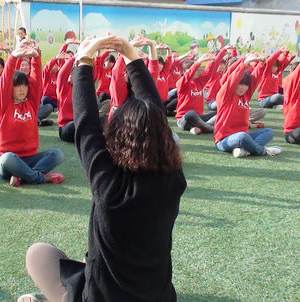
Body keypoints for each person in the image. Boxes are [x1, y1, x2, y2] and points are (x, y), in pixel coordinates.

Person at [18, 35, 186, 302]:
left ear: (120, 136)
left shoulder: (110, 186)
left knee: (39, 254)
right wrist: (132, 57)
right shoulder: (174, 181)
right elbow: (154, 119)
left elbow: (84, 124)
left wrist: (84, 58)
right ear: (163, 138)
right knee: (87, 268)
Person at [0, 39, 64, 187]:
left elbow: (37, 80)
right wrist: (13, 57)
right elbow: (6, 79)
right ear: (11, 88)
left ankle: (23, 176)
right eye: (18, 86)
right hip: (9, 159)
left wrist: (36, 57)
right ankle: (40, 178)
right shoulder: (4, 104)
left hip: (31, 157)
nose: (21, 89)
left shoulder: (31, 104)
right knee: (7, 159)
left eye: (24, 86)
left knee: (57, 154)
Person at [214, 53, 282, 158]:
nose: (243, 88)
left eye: (246, 85)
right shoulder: (225, 95)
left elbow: (255, 78)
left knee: (269, 132)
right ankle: (262, 151)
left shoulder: (246, 95)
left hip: (245, 136)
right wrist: (244, 64)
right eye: (240, 84)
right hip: (224, 140)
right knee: (242, 137)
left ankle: (245, 150)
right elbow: (232, 80)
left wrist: (261, 64)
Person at [175, 48, 226, 135]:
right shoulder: (181, 83)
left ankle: (200, 128)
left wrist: (213, 60)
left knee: (222, 112)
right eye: (189, 69)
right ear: (184, 71)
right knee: (191, 114)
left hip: (199, 118)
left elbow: (207, 72)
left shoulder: (198, 82)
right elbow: (188, 75)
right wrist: (198, 62)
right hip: (184, 119)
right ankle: (208, 128)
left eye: (194, 69)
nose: (193, 72)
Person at [56, 54, 76, 142]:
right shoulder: (63, 88)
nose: (71, 76)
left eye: (74, 74)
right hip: (66, 128)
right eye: (70, 74)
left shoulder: (80, 88)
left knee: (102, 120)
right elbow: (62, 74)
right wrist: (75, 57)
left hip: (79, 124)